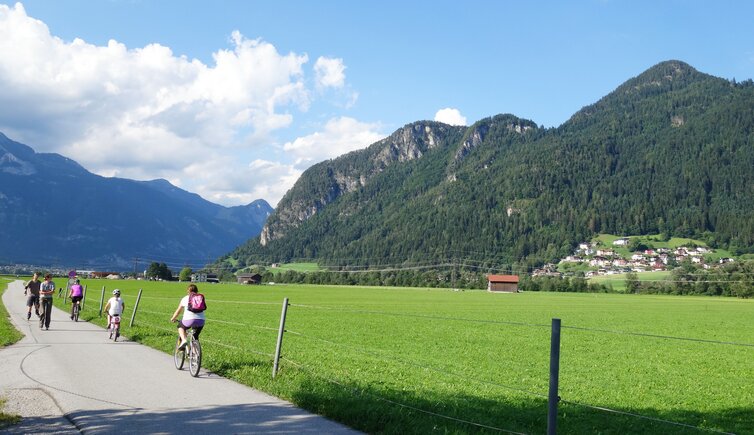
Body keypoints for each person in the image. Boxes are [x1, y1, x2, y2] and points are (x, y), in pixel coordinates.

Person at [170, 284, 205, 349]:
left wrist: (173, 318)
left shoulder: (185, 298)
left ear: (188, 291)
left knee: (180, 326)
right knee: (195, 336)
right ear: (197, 290)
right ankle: (195, 355)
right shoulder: (200, 298)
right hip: (201, 320)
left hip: (189, 320)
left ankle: (184, 340)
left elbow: (178, 311)